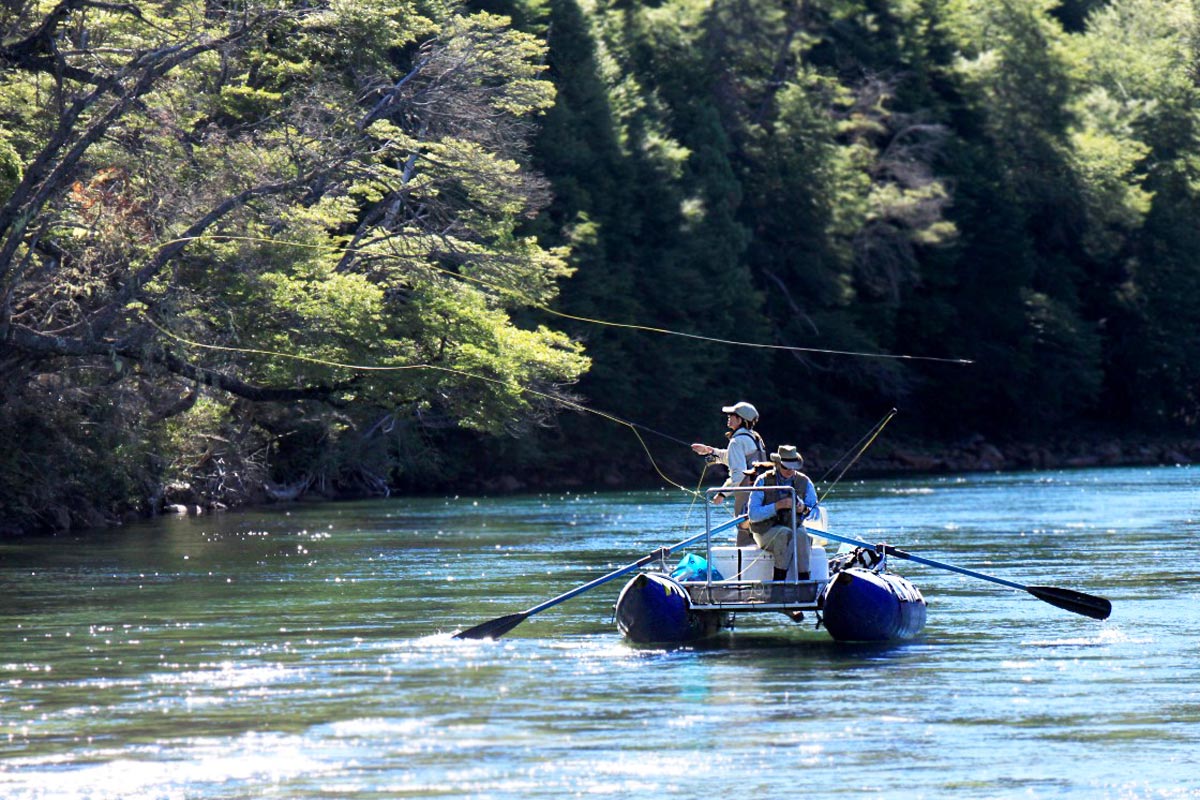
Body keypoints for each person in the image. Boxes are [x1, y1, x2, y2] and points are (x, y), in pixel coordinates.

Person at [691, 401, 767, 546]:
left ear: (741, 420)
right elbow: (734, 458)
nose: (729, 417)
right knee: (758, 529)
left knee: (744, 530)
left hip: (747, 493)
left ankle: (744, 558)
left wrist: (722, 493)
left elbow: (738, 473)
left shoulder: (737, 441)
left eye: (732, 415)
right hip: (762, 490)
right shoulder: (754, 437)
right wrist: (709, 451)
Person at [747, 444, 819, 582]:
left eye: (793, 467)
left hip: (794, 527)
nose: (790, 470)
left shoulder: (805, 482)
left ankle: (804, 581)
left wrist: (803, 509)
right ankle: (779, 580)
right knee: (784, 534)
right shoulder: (762, 480)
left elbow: (816, 513)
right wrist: (777, 506)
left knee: (802, 535)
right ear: (778, 464)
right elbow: (753, 515)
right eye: (786, 467)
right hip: (764, 531)